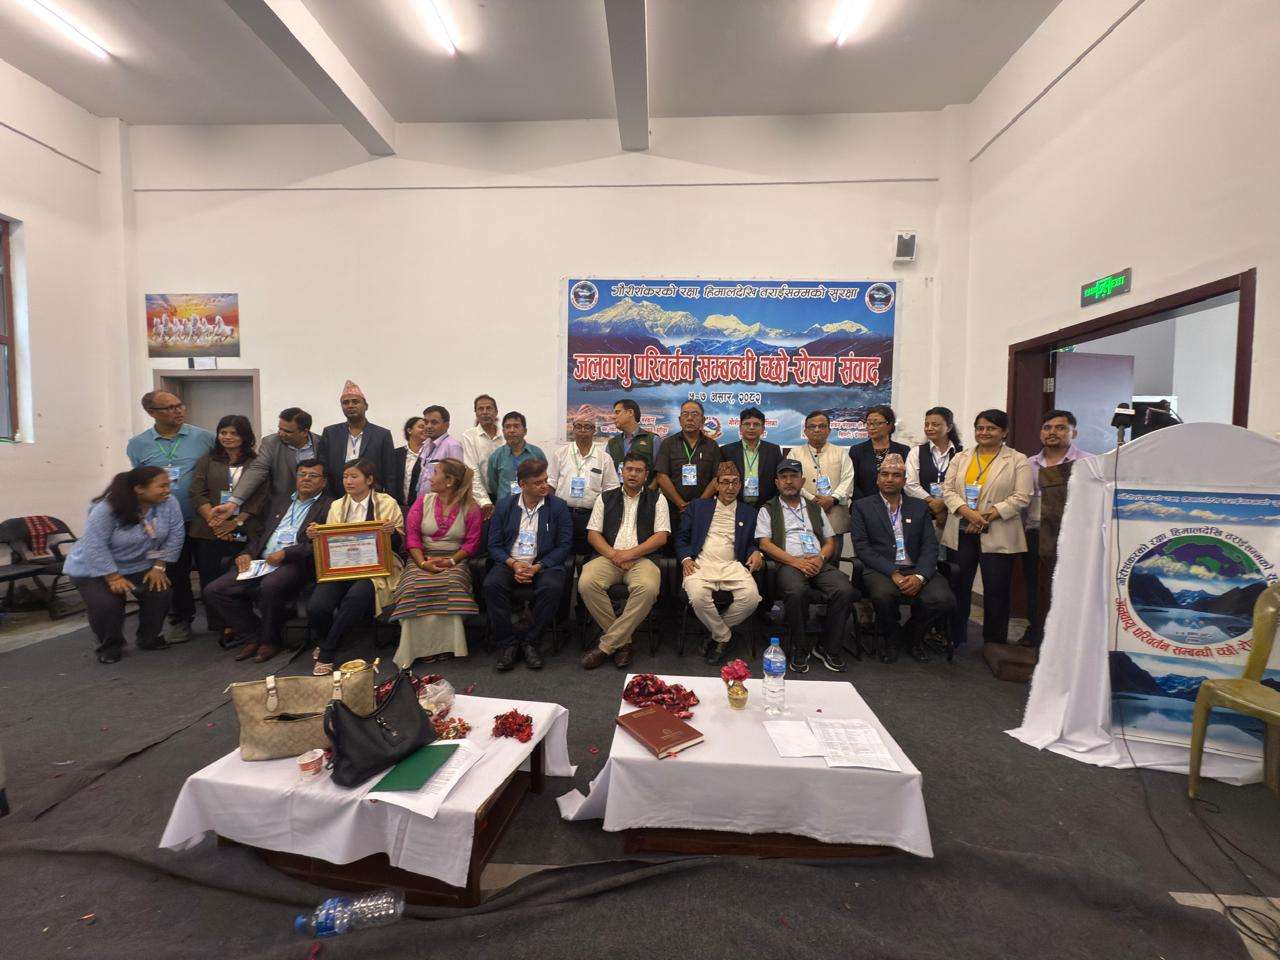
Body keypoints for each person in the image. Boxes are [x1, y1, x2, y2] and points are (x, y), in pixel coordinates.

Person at [202, 459, 332, 663]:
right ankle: (253, 635)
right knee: (215, 590)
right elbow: (259, 533)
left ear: (323, 482)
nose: (306, 478)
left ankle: (270, 641)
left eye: (313, 475)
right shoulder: (279, 501)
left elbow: (322, 543)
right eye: (302, 474)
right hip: (260, 561)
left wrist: (287, 553)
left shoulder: (329, 506)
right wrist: (247, 553)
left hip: (296, 563)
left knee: (270, 585)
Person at [64, 466, 184, 664]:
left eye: (168, 485)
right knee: (107, 604)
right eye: (162, 486)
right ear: (139, 489)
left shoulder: (169, 503)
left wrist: (159, 566)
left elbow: (176, 534)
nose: (167, 490)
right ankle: (110, 646)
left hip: (139, 564)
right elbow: (95, 545)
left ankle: (149, 638)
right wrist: (113, 577)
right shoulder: (106, 508)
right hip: (93, 568)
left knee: (160, 592)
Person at [126, 390, 215, 643]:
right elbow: (139, 481)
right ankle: (181, 620)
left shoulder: (204, 437)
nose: (178, 411)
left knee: (210, 569)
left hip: (203, 517)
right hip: (164, 521)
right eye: (170, 408)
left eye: (179, 405)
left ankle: (220, 619)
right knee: (175, 572)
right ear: (151, 412)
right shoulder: (138, 444)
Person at [942, 409, 1033, 649]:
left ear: (1004, 432)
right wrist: (968, 513)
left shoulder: (1017, 460)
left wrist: (985, 517)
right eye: (980, 428)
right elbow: (947, 490)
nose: (984, 432)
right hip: (962, 530)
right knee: (958, 586)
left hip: (999, 531)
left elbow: (1022, 496)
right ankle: (955, 636)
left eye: (991, 428)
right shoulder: (961, 457)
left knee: (997, 590)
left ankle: (994, 642)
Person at [851, 454, 955, 663]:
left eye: (896, 475)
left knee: (944, 599)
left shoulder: (919, 507)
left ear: (904, 480)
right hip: (881, 569)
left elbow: (929, 546)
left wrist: (920, 577)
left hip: (916, 567)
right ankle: (892, 638)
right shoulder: (862, 506)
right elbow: (862, 548)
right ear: (877, 479)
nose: (889, 479)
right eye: (885, 474)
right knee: (883, 595)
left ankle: (913, 635)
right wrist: (893, 572)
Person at [306, 458, 405, 675]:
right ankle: (327, 640)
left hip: (377, 567)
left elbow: (399, 544)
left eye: (354, 476)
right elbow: (329, 541)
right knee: (317, 605)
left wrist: (391, 532)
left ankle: (327, 652)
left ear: (369, 480)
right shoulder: (337, 505)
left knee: (356, 597)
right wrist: (315, 534)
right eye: (345, 477)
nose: (348, 481)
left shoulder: (387, 502)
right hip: (341, 568)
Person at [757, 459, 856, 673]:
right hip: (788, 563)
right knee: (796, 592)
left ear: (802, 481)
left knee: (844, 589)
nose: (788, 481)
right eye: (784, 477)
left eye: (793, 476)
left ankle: (828, 647)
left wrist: (820, 558)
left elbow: (830, 541)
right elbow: (764, 544)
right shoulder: (768, 508)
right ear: (776, 482)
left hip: (817, 561)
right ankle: (799, 648)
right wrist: (796, 562)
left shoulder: (814, 508)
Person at [578, 452, 671, 670]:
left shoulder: (658, 499)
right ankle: (624, 642)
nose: (633, 474)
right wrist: (614, 555)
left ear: (646, 475)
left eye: (638, 470)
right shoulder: (605, 497)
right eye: (629, 469)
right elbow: (593, 534)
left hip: (643, 559)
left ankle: (606, 646)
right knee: (586, 583)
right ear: (622, 471)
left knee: (647, 588)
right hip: (609, 556)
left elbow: (661, 537)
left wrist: (630, 554)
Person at [390, 458, 482, 667]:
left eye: (435, 473)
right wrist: (423, 563)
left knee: (451, 585)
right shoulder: (423, 501)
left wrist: (451, 561)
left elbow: (471, 544)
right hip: (421, 558)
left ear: (449, 481)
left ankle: (447, 645)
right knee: (413, 586)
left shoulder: (471, 508)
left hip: (455, 560)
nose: (430, 478)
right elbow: (412, 537)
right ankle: (418, 648)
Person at [484, 459, 572, 672]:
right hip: (510, 562)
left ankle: (531, 641)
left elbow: (564, 546)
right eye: (538, 482)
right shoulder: (505, 505)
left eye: (546, 480)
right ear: (522, 484)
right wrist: (514, 564)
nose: (545, 486)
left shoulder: (558, 506)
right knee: (491, 585)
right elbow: (494, 545)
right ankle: (508, 643)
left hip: (544, 564)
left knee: (552, 587)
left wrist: (537, 566)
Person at [188, 415, 268, 644]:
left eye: (234, 433)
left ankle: (243, 622)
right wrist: (213, 520)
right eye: (223, 432)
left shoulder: (256, 462)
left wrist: (236, 522)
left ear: (245, 436)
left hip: (244, 528)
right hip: (209, 530)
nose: (227, 437)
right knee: (210, 577)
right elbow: (196, 491)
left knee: (239, 577)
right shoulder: (207, 460)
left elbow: (261, 496)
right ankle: (221, 625)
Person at [677, 461, 763, 665]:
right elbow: (681, 537)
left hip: (733, 565)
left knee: (751, 598)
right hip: (701, 564)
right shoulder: (698, 506)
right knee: (698, 597)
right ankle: (724, 636)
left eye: (735, 482)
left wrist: (756, 552)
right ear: (716, 485)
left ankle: (715, 634)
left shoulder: (749, 512)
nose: (730, 487)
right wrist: (686, 558)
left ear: (740, 485)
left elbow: (752, 542)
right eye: (725, 482)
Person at [1022, 409, 1090, 646]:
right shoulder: (1028, 464)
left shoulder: (1088, 463)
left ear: (1074, 433)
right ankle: (1035, 631)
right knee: (1035, 586)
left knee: (1068, 587)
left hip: (1072, 537)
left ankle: (1065, 638)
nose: (1052, 432)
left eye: (1060, 428)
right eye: (1047, 428)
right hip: (1036, 534)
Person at [212, 407, 319, 518]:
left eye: (287, 431)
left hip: (316, 506)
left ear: (304, 432)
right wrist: (233, 502)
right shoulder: (271, 442)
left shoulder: (321, 443)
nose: (281, 433)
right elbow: (257, 470)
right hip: (282, 508)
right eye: (280, 429)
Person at [547, 414, 620, 555]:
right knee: (562, 552)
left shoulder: (604, 458)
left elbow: (612, 489)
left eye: (587, 427)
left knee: (586, 555)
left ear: (594, 431)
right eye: (578, 426)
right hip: (563, 513)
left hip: (591, 516)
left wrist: (603, 515)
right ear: (573, 429)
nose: (582, 430)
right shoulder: (560, 454)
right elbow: (551, 484)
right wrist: (552, 512)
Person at [316, 381, 396, 500]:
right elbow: (322, 468)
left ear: (366, 406)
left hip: (371, 498)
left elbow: (390, 474)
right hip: (336, 497)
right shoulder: (330, 433)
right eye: (345, 403)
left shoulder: (382, 434)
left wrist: (389, 500)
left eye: (355, 402)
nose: (350, 405)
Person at [654, 399, 721, 520]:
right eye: (685, 414)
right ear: (680, 420)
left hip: (703, 510)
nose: (689, 418)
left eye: (695, 414)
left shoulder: (712, 446)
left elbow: (717, 478)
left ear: (703, 420)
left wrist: (698, 504)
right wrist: (680, 503)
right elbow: (661, 476)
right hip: (673, 509)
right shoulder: (668, 444)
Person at [795, 410, 854, 537]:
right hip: (805, 512)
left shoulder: (841, 452)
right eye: (812, 426)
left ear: (829, 430)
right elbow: (793, 482)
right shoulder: (795, 453)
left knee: (834, 549)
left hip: (835, 513)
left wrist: (833, 499)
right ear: (805, 431)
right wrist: (813, 499)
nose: (817, 430)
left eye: (822, 426)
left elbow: (848, 479)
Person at [905, 406, 962, 529]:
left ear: (949, 427)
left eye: (935, 425)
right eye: (927, 424)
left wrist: (943, 503)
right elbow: (910, 485)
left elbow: (963, 485)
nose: (929, 428)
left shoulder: (962, 453)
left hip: (953, 514)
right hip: (922, 513)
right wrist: (932, 502)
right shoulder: (916, 452)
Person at [719, 406, 783, 508]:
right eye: (747, 424)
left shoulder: (773, 450)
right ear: (740, 428)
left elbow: (779, 479)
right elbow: (721, 481)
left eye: (756, 424)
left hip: (766, 507)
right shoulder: (726, 451)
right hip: (735, 506)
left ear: (763, 429)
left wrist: (771, 504)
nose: (751, 427)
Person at [849, 404, 911, 502]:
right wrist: (866, 504)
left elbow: (907, 482)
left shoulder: (903, 450)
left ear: (889, 425)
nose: (871, 427)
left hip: (897, 504)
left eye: (877, 423)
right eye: (868, 423)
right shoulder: (857, 450)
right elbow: (852, 483)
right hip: (864, 504)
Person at [485, 412, 546, 504]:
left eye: (516, 426)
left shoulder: (537, 454)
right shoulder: (496, 456)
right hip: (505, 506)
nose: (512, 430)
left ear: (525, 431)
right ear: (503, 431)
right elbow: (493, 485)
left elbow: (543, 480)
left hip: (533, 505)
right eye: (508, 427)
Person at [461, 394, 505, 519]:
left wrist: (514, 497)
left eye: (489, 408)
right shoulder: (469, 436)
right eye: (480, 409)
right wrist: (485, 501)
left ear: (496, 412)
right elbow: (472, 470)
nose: (485, 412)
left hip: (507, 496)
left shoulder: (506, 435)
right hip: (481, 498)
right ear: (476, 413)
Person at [413, 404, 466, 499]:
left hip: (441, 502)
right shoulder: (426, 444)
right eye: (426, 422)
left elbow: (457, 481)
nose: (428, 426)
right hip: (423, 501)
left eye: (434, 422)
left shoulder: (452, 446)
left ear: (446, 425)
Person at [605, 399, 657, 477]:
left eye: (617, 412)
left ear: (630, 412)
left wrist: (650, 485)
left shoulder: (653, 440)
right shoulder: (612, 443)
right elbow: (606, 472)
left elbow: (659, 472)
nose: (613, 417)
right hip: (617, 485)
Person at [391, 416, 427, 510]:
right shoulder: (396, 454)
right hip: (397, 507)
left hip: (421, 507)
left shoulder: (430, 454)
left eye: (426, 427)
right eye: (421, 427)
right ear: (409, 430)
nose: (425, 429)